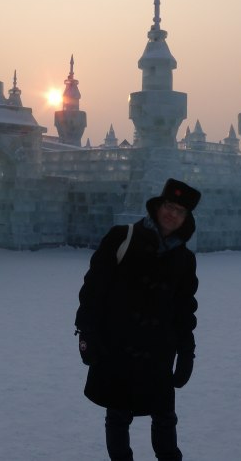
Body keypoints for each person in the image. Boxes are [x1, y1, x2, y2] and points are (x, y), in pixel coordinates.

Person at [75, 178, 201, 461]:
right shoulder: (122, 237)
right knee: (118, 415)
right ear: (158, 206)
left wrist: (187, 351)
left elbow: (184, 310)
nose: (172, 214)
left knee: (165, 416)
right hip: (117, 346)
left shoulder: (184, 259)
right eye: (169, 206)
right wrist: (86, 333)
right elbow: (93, 289)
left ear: (186, 218)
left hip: (158, 351)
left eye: (180, 211)